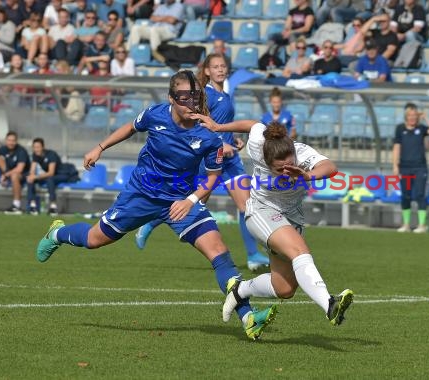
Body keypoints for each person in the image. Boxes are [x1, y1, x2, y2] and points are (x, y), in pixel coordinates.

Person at [35, 70, 277, 340]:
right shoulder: (156, 114)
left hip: (179, 201)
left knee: (218, 251)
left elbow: (211, 177)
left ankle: (248, 317)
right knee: (94, 239)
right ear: (171, 98)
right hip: (140, 195)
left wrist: (191, 200)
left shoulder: (209, 137)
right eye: (184, 97)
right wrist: (99, 147)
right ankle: (56, 233)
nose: (191, 102)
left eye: (195, 96)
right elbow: (130, 127)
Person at [194, 116, 354, 328]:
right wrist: (218, 127)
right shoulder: (259, 144)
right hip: (261, 211)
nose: (287, 170)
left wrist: (306, 175)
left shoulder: (301, 152)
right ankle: (329, 305)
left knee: (284, 288)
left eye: (290, 165)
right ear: (267, 161)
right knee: (299, 250)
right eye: (280, 169)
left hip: (292, 216)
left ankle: (240, 290)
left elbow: (329, 167)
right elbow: (252, 125)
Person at [135, 54, 270, 271]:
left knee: (246, 205)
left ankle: (253, 255)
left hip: (230, 160)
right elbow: (196, 123)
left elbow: (217, 123)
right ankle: (151, 222)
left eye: (223, 66)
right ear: (206, 71)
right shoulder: (203, 94)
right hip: (210, 158)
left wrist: (231, 138)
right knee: (194, 203)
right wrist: (219, 143)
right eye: (215, 66)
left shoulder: (224, 94)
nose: (220, 70)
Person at [393, 103, 429, 233]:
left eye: (414, 115)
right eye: (410, 115)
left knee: (419, 194)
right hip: (405, 168)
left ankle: (422, 225)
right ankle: (406, 224)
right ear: (406, 117)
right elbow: (397, 147)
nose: (412, 118)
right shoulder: (400, 129)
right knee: (405, 195)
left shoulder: (421, 129)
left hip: (419, 168)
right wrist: (395, 165)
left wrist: (426, 118)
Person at [26, 137, 79, 216]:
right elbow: (32, 170)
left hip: (63, 174)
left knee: (49, 179)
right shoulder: (35, 155)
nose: (36, 149)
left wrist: (36, 177)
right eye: (34, 147)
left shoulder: (51, 154)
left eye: (38, 147)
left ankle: (53, 207)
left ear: (43, 147)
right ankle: (32, 206)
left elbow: (51, 172)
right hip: (52, 177)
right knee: (30, 179)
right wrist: (31, 176)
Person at [0, 131, 31, 214]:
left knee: (14, 175)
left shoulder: (21, 151)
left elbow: (19, 169)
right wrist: (1, 176)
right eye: (9, 140)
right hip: (8, 174)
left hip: (22, 176)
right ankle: (2, 179)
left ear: (16, 141)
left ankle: (16, 206)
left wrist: (5, 175)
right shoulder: (3, 149)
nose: (11, 142)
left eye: (13, 140)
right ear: (6, 140)